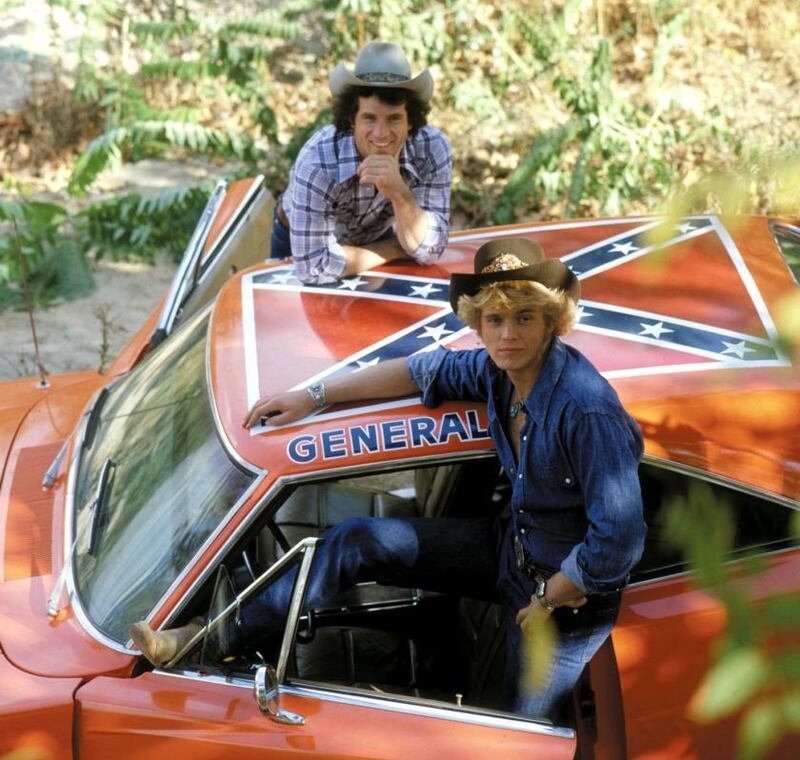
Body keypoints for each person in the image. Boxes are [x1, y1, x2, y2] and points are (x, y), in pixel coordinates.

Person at [130, 237, 645, 722]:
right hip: (512, 549)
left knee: (517, 733)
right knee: (358, 539)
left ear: (552, 322)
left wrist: (550, 596)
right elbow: (419, 371)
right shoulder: (496, 370)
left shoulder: (586, 410)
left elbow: (618, 539)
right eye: (495, 319)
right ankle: (208, 636)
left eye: (525, 318)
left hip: (565, 599)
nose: (508, 334)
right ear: (480, 324)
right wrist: (314, 396)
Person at [271, 41, 452, 284]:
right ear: (351, 119)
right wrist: (397, 248)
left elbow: (431, 249)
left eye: (394, 119)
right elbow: (314, 267)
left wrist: (400, 194)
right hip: (300, 239)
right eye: (369, 118)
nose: (381, 133)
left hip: (375, 233)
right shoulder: (318, 161)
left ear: (411, 121)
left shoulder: (432, 149)